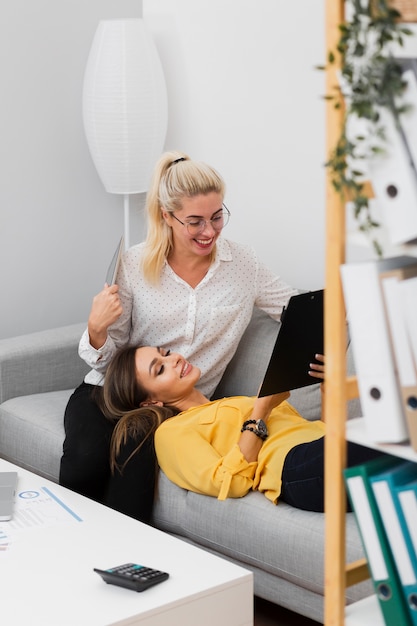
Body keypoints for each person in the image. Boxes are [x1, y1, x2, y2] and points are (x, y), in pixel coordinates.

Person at [59, 150, 300, 521]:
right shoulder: (136, 265)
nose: (209, 231)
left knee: (137, 441)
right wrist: (96, 329)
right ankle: (67, 540)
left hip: (176, 407)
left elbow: (297, 310)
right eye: (195, 221)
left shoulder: (243, 265)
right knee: (87, 456)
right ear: (166, 217)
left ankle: (127, 556)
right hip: (111, 389)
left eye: (217, 217)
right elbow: (111, 357)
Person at [101, 345, 383, 513]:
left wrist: (327, 385)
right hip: (295, 469)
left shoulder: (233, 401)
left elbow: (317, 429)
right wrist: (261, 410)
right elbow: (228, 484)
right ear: (151, 400)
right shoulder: (172, 432)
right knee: (392, 432)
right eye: (159, 369)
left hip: (320, 447)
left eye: (166, 353)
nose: (173, 359)